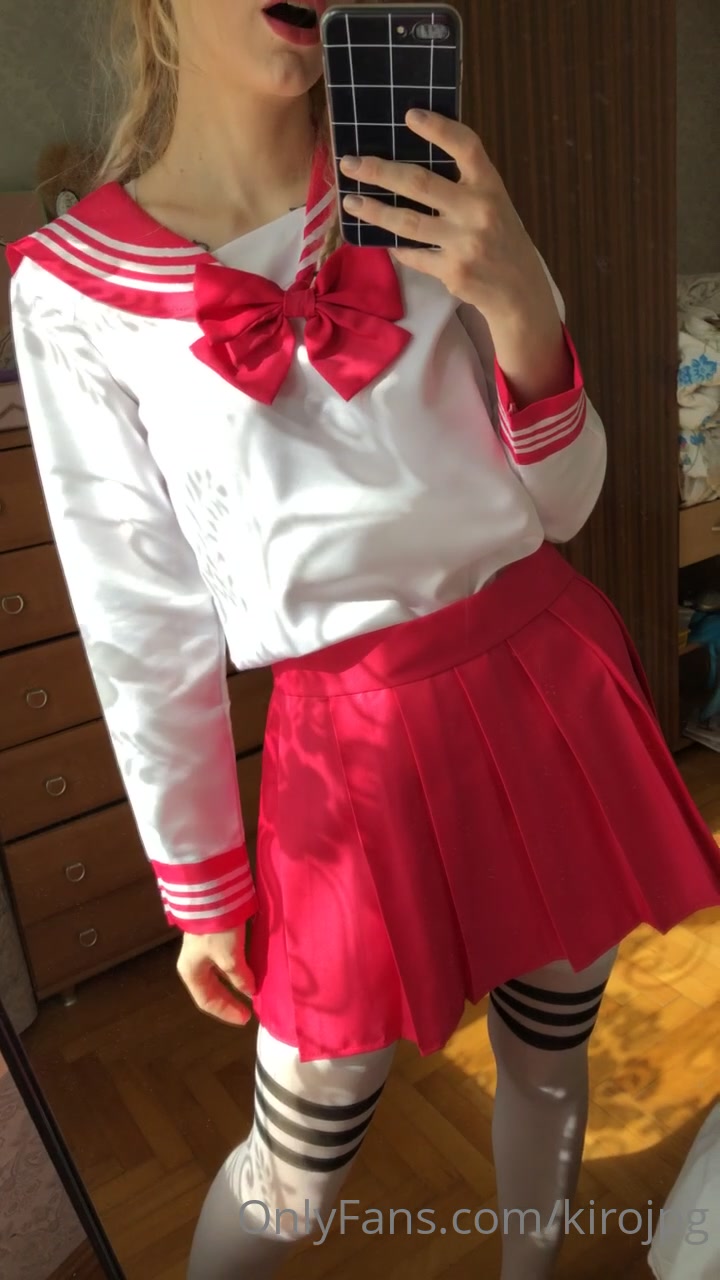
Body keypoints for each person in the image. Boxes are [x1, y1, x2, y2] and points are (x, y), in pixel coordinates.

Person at [7, 2, 720, 1276]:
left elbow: (565, 505)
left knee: (549, 1061)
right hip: (348, 755)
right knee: (293, 1170)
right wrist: (202, 883)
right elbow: (139, 617)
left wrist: (523, 311)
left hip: (545, 685)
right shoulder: (72, 293)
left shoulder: (430, 187)